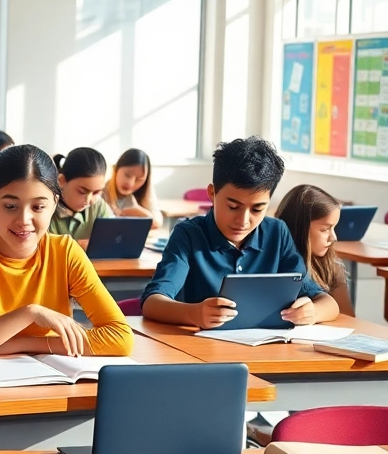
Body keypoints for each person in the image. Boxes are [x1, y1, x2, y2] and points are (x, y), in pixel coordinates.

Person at [0, 144, 134, 363]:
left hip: (52, 381)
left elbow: (120, 337)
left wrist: (20, 344)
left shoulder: (65, 252)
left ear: (54, 204)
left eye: (38, 207)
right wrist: (29, 313)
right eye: (10, 206)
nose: (24, 220)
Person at [141, 137, 339, 329]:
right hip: (205, 355)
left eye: (257, 209)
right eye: (233, 206)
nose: (243, 221)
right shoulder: (188, 235)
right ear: (212, 194)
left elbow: (328, 303)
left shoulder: (277, 233)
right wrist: (194, 313)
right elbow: (152, 302)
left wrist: (313, 312)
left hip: (269, 352)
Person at [274, 184, 352, 315]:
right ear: (299, 228)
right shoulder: (274, 264)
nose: (334, 237)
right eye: (325, 229)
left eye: (334, 228)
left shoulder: (332, 267)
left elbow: (348, 316)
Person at [49, 147, 112, 244]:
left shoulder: (99, 206)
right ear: (61, 181)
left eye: (96, 193)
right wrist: (76, 247)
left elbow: (112, 239)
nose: (89, 200)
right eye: (82, 192)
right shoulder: (46, 208)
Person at [105, 148, 161, 227]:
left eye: (139, 179)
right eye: (127, 175)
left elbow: (157, 222)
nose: (131, 183)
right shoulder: (100, 192)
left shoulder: (146, 190)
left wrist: (137, 210)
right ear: (116, 169)